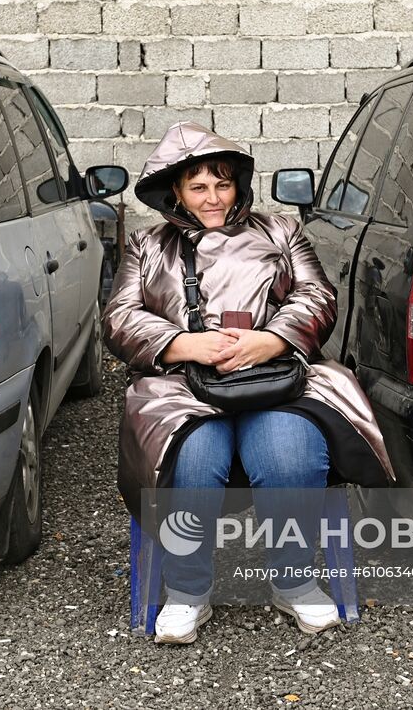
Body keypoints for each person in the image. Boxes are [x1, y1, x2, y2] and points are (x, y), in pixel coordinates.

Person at [103, 122, 393, 645]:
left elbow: (318, 295)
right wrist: (182, 344)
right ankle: (189, 591)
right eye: (198, 186)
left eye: (222, 183)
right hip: (181, 389)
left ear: (239, 184)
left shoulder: (280, 231)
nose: (212, 197)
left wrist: (273, 339)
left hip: (274, 381)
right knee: (191, 459)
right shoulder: (147, 246)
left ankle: (294, 581)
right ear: (176, 191)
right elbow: (119, 318)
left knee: (290, 453)